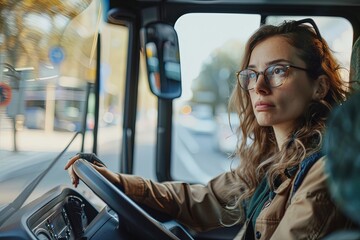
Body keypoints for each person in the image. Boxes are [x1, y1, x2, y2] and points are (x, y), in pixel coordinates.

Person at [65, 18, 356, 239]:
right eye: (251, 74)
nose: (259, 86)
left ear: (319, 86)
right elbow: (202, 199)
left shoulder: (325, 169)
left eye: (278, 70)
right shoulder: (272, 163)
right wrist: (118, 182)